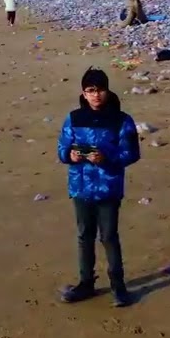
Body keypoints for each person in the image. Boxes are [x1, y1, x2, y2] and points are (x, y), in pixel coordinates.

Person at [56, 67, 141, 307]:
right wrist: (69, 155)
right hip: (81, 187)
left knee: (109, 236)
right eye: (90, 90)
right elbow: (62, 148)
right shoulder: (73, 118)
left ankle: (119, 287)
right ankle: (86, 284)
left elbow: (132, 153)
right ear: (83, 93)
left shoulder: (122, 120)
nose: (96, 95)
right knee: (84, 236)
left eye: (100, 89)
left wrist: (106, 157)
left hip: (108, 187)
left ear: (107, 90)